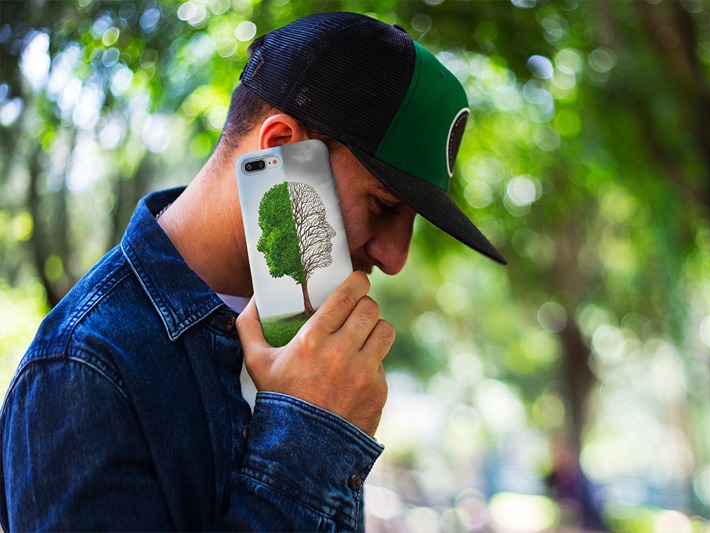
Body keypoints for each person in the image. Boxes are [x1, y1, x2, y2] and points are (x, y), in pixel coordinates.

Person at [0, 11, 506, 531]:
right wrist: (310, 432)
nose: (395, 258)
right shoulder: (82, 369)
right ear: (281, 147)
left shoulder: (307, 339)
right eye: (382, 205)